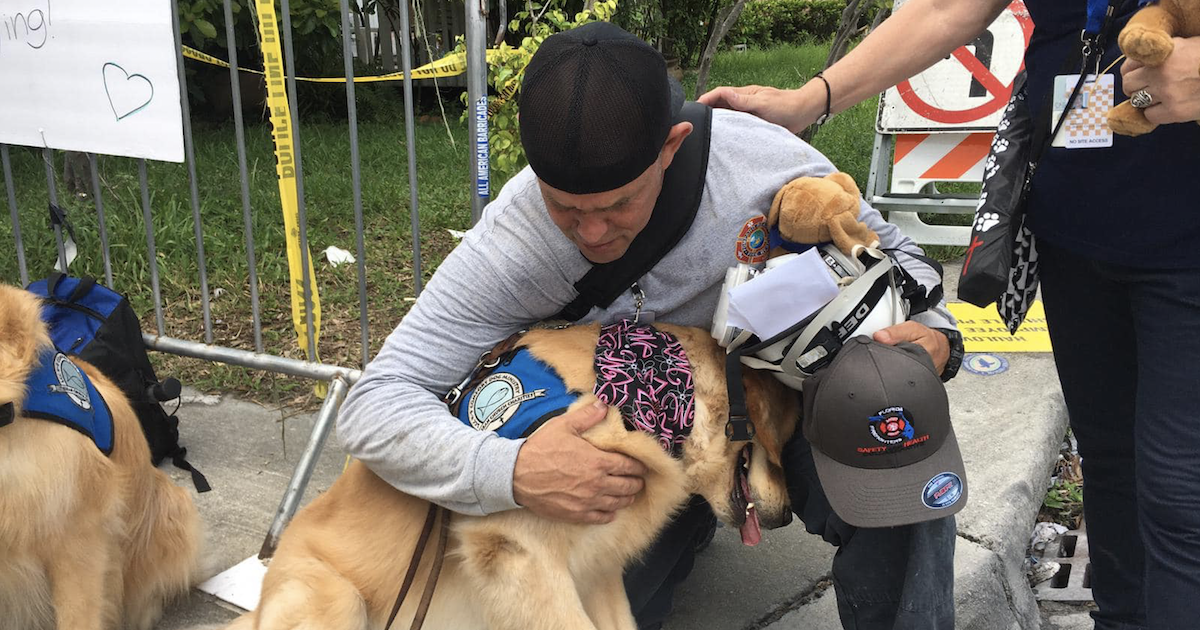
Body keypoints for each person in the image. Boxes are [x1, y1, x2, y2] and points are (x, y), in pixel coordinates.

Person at [339, 21, 963, 630]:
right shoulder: (514, 243)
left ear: (671, 146)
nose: (592, 233)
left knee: (894, 429)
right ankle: (686, 521)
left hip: (768, 397)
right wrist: (512, 471)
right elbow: (376, 404)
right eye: (565, 208)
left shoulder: (760, 163)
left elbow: (898, 257)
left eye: (619, 205)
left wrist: (938, 337)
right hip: (632, 444)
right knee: (574, 606)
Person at [701, 2, 1200, 629]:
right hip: (1078, 231)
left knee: (1180, 495)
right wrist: (810, 99)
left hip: (1187, 242)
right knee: (1111, 462)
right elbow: (945, 9)